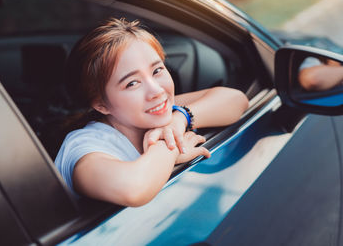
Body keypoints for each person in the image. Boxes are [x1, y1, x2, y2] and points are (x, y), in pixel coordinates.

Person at [55, 18, 249, 207]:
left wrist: (180, 119)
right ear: (101, 105)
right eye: (132, 83)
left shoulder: (155, 111)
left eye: (157, 70)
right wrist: (169, 145)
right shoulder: (82, 148)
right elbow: (134, 189)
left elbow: (236, 99)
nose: (156, 90)